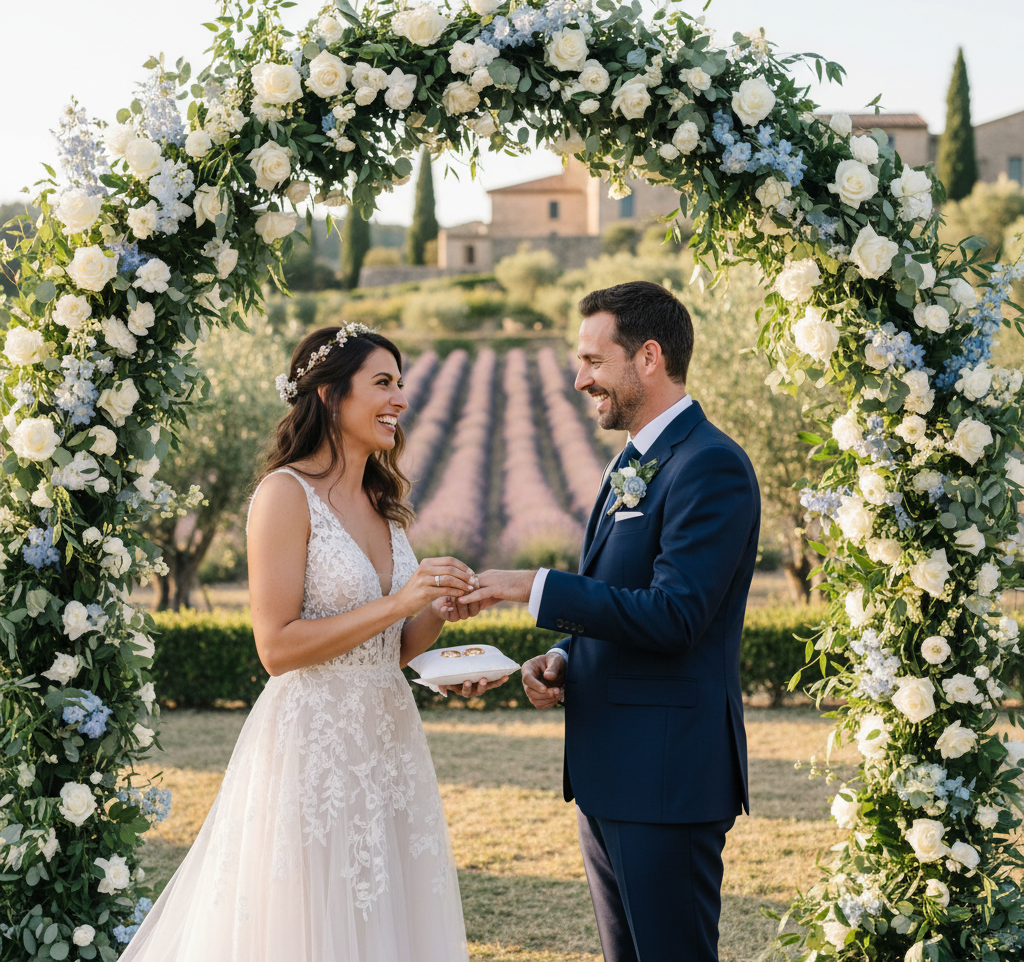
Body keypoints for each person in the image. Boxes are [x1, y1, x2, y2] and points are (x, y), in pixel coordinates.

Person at [120, 323, 502, 962]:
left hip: (388, 740)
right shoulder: (283, 495)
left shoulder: (382, 504)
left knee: (385, 917)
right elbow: (276, 646)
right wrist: (397, 601)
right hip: (312, 745)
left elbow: (394, 647)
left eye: (401, 384)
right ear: (329, 394)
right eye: (382, 383)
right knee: (309, 925)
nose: (399, 400)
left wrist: (436, 610)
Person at [460, 282, 760, 962]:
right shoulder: (631, 462)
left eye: (594, 361)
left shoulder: (710, 465)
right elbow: (621, 597)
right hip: (611, 773)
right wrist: (567, 655)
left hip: (666, 777)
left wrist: (532, 588)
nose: (579, 378)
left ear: (648, 357)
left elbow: (678, 616)